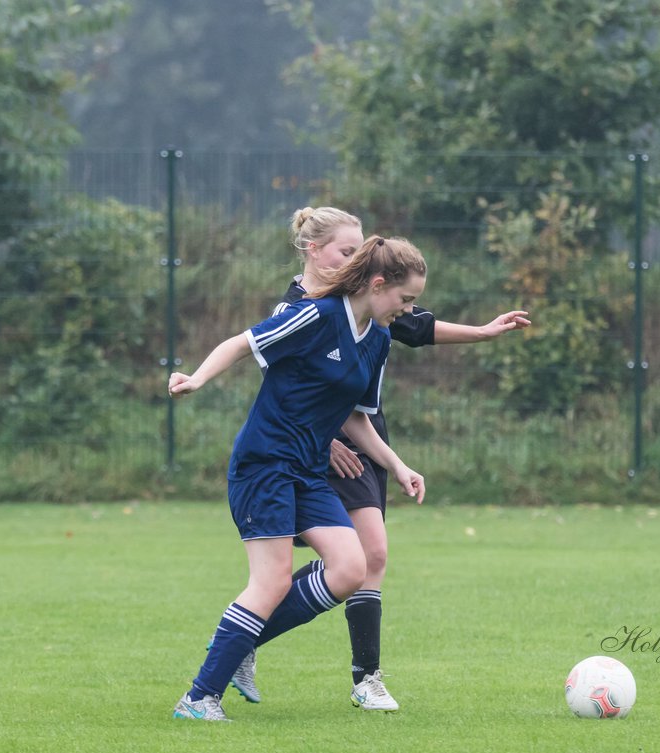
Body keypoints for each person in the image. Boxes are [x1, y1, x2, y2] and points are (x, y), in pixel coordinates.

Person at [223, 206, 530, 712]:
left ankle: (361, 676)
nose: (359, 259)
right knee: (338, 563)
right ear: (311, 250)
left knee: (374, 557)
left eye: (362, 249)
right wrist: (326, 440)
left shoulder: (370, 302)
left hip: (362, 436)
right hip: (320, 449)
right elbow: (293, 392)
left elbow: (412, 325)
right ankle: (246, 638)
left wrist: (482, 332)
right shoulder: (299, 308)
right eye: (348, 251)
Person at [169, 235, 429, 721]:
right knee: (268, 583)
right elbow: (242, 343)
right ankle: (200, 698)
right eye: (405, 298)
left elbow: (354, 417)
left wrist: (397, 465)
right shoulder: (317, 315)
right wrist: (198, 379)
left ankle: (245, 638)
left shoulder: (376, 339)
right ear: (377, 285)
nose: (408, 309)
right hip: (265, 463)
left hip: (308, 472)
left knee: (351, 568)